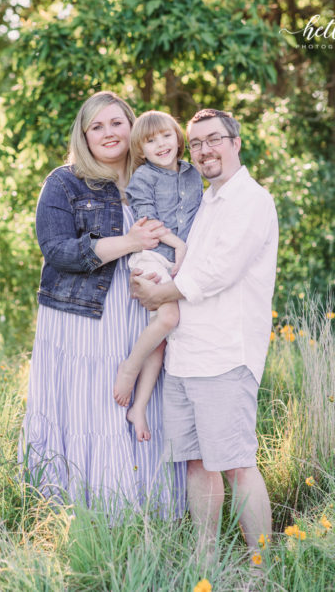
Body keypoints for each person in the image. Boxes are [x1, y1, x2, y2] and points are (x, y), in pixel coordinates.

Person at [21, 91, 186, 516]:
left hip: (141, 310)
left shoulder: (156, 178)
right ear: (85, 135)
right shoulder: (64, 181)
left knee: (140, 404)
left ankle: (147, 512)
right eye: (97, 126)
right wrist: (130, 242)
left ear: (133, 126)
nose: (109, 132)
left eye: (116, 122)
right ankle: (79, 510)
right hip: (84, 316)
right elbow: (56, 249)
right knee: (93, 403)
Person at [132, 109, 277, 563]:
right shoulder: (206, 200)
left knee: (236, 465)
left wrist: (158, 297)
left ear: (236, 142)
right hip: (185, 356)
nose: (204, 150)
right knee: (196, 463)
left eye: (214, 139)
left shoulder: (252, 201)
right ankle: (205, 559)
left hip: (226, 356)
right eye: (195, 143)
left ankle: (261, 568)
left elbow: (217, 273)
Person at [113, 110, 203, 443]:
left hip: (182, 265)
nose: (160, 144)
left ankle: (139, 407)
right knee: (167, 316)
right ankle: (128, 369)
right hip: (152, 255)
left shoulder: (194, 175)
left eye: (166, 136)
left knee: (162, 343)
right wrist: (179, 245)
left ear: (179, 138)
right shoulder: (143, 178)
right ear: (141, 150)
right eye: (150, 141)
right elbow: (147, 221)